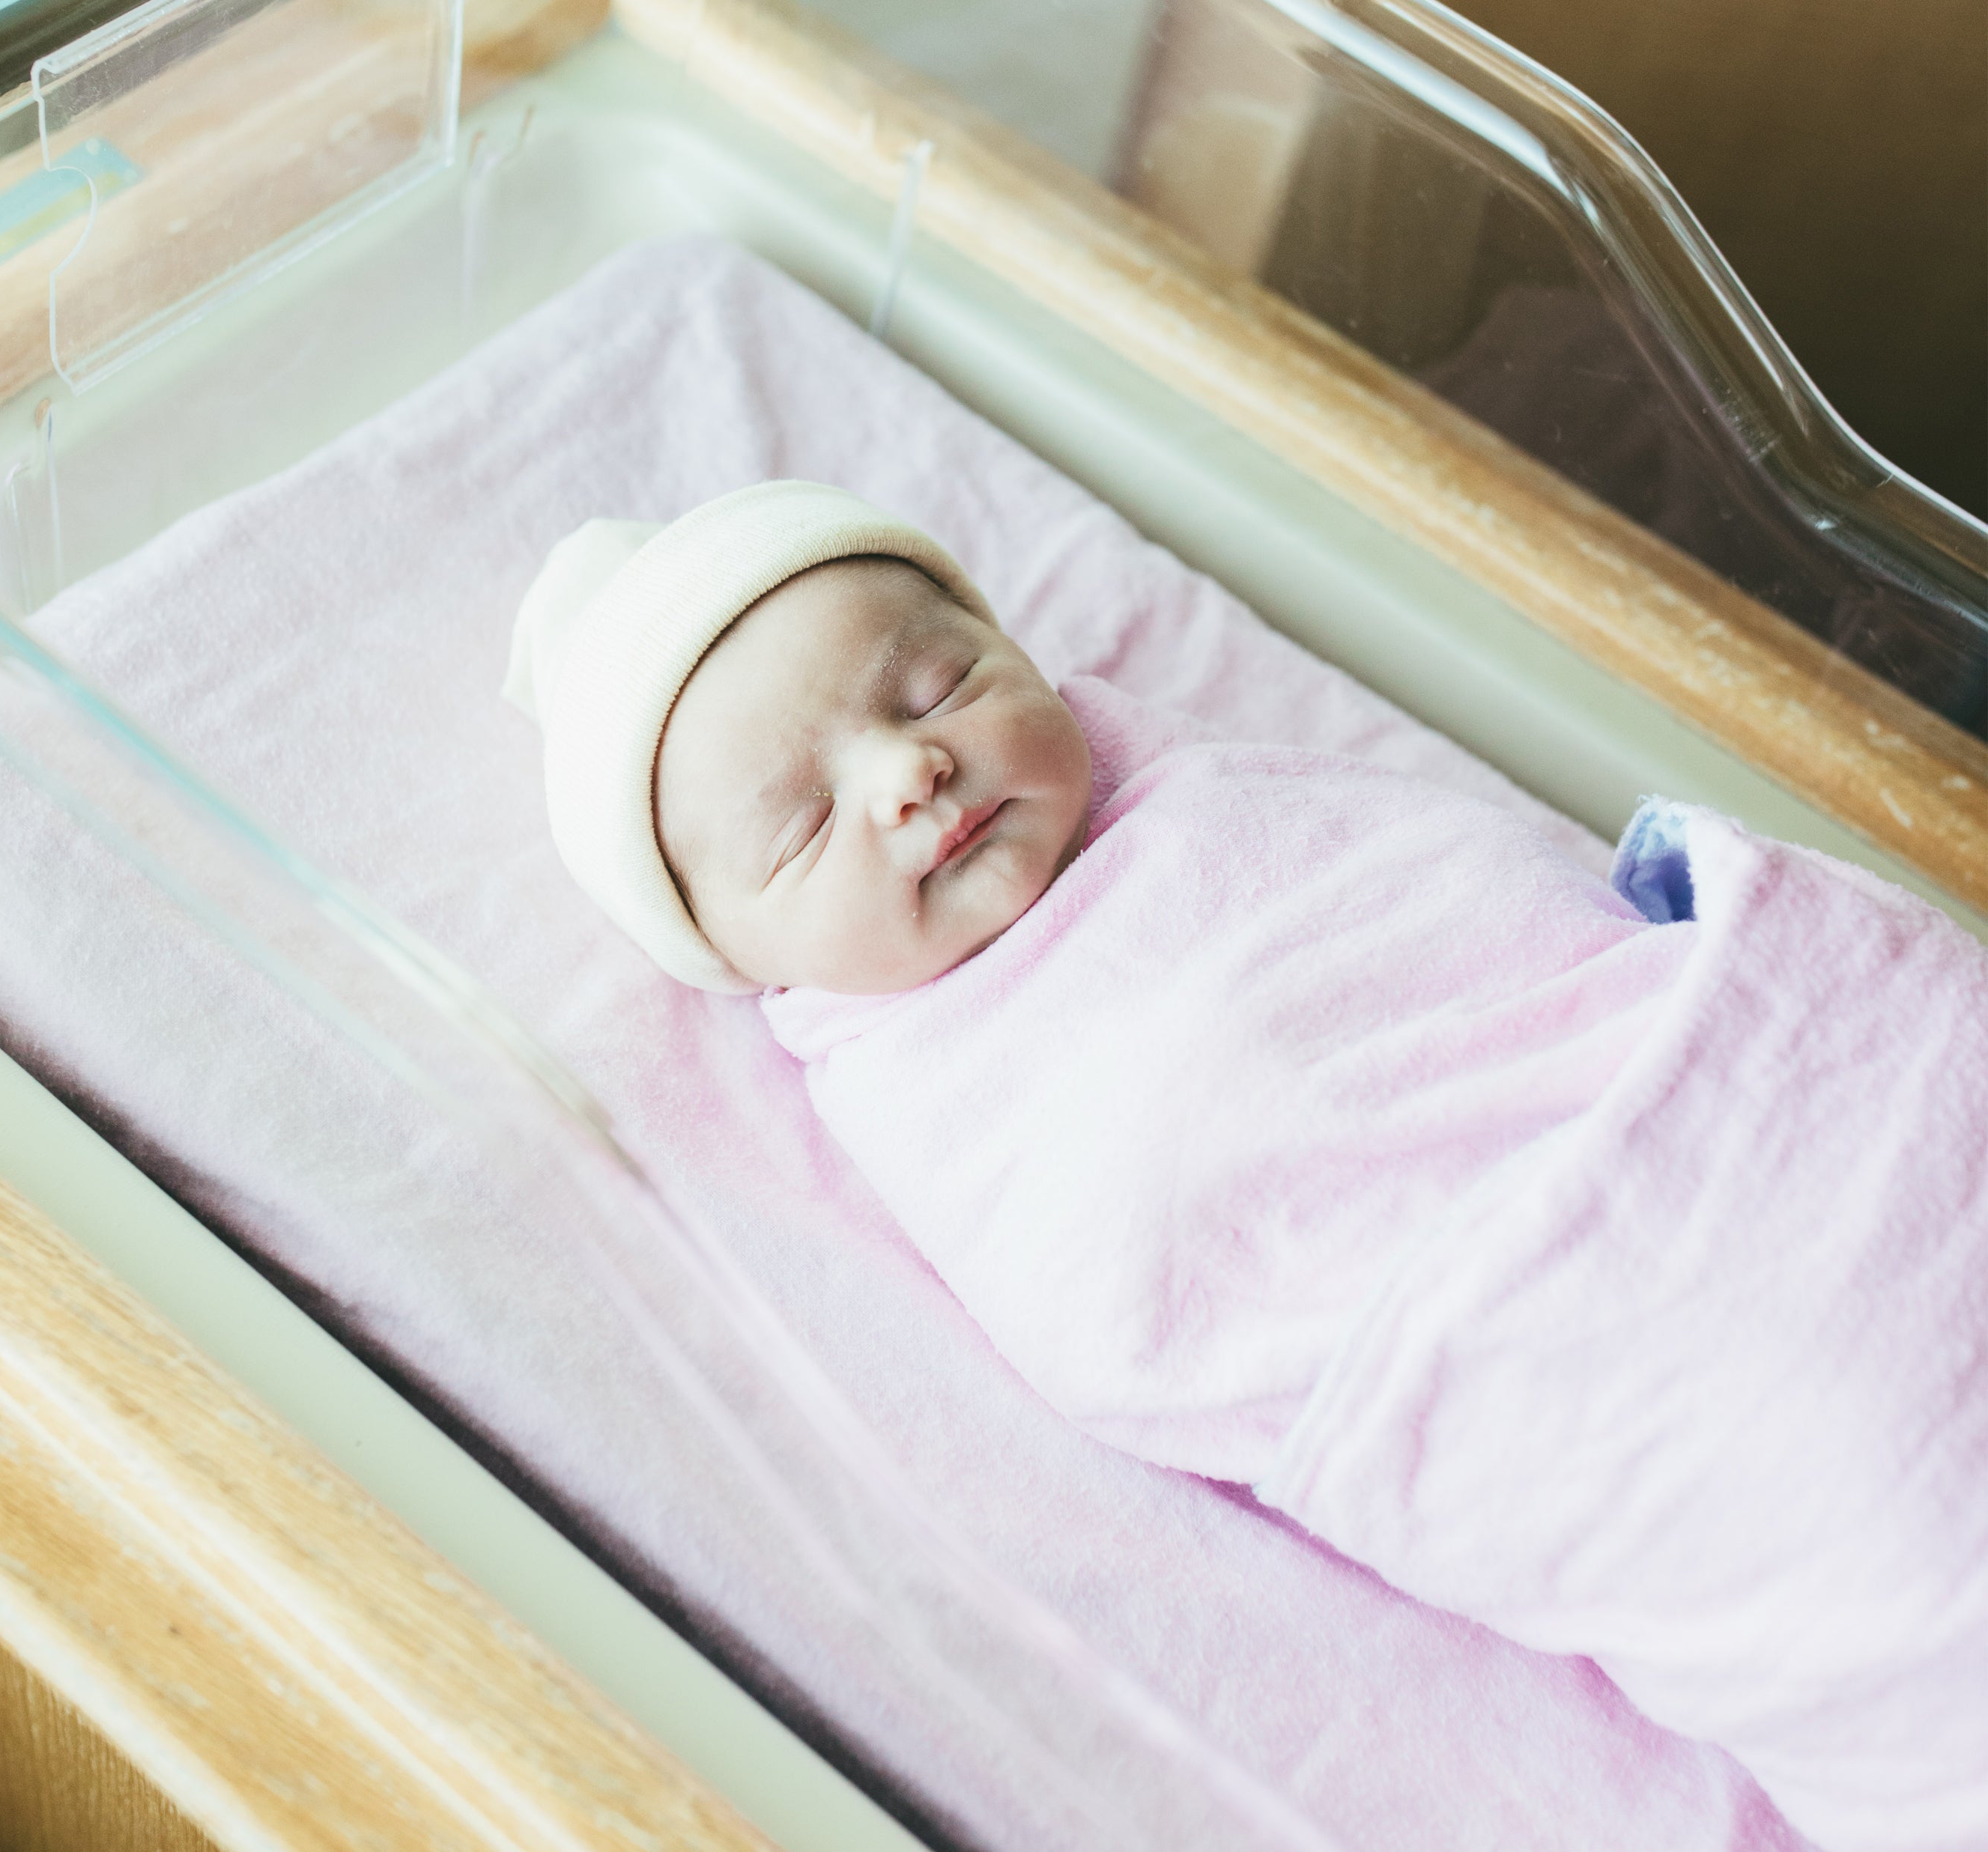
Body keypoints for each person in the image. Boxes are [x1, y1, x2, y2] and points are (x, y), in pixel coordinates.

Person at [506, 479, 1988, 1852]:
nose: (908, 767)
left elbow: (1460, 900)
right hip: (1542, 1334)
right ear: (742, 962)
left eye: (939, 683)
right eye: (806, 821)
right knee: (1864, 1515)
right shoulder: (931, 1085)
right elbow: (1128, 1275)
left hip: (1775, 1088)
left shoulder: (1205, 797)